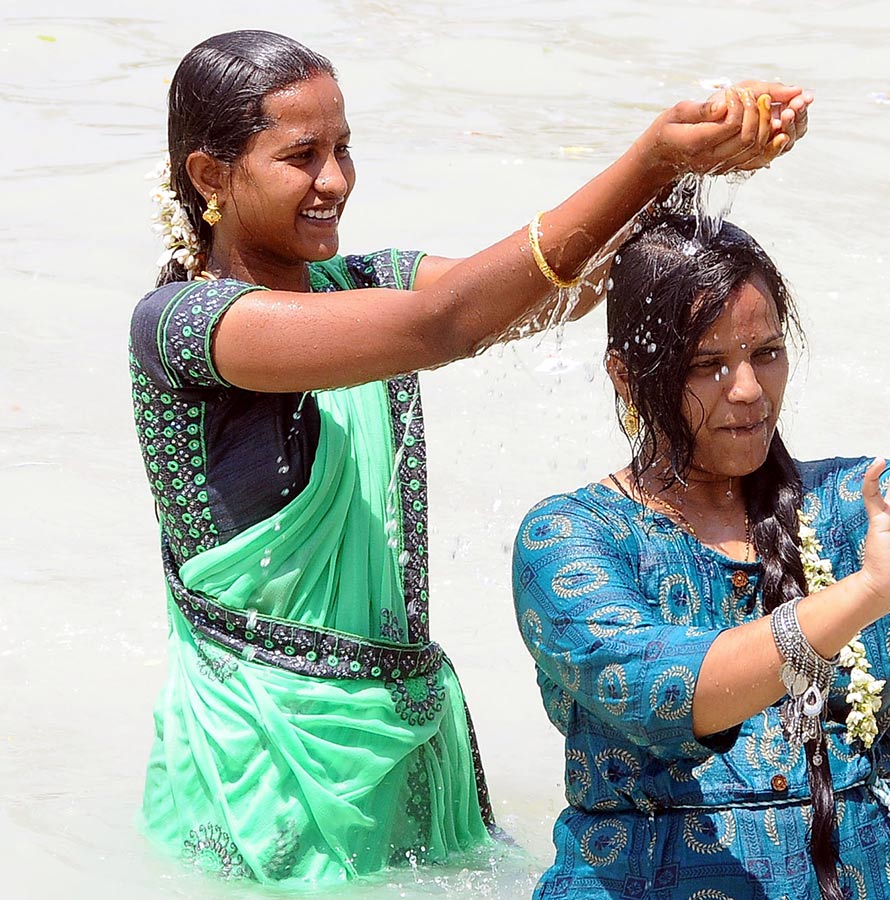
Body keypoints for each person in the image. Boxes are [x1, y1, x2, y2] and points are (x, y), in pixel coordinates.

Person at [129, 30, 810, 886]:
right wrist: (649, 158)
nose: (334, 180)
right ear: (209, 176)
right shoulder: (182, 326)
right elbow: (445, 325)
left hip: (407, 743)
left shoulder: (365, 280)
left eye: (344, 149)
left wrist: (698, 168)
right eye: (301, 156)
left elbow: (544, 293)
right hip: (262, 762)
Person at [511, 209, 890, 899]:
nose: (749, 389)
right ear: (627, 377)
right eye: (707, 364)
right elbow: (663, 693)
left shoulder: (851, 502)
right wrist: (866, 594)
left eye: (766, 352)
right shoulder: (568, 538)